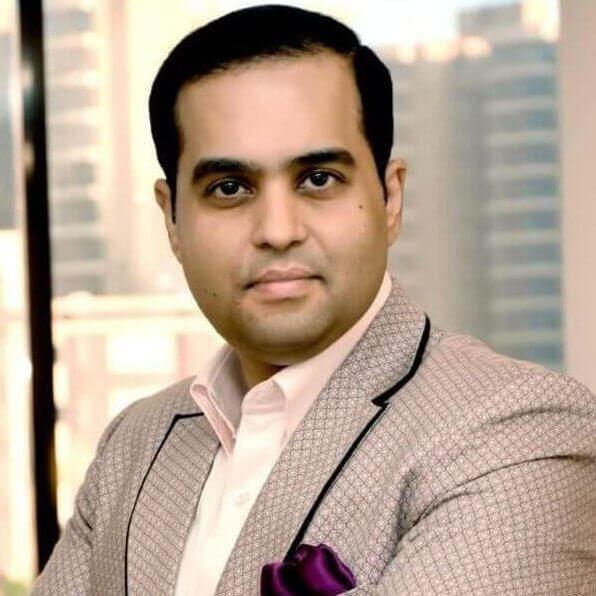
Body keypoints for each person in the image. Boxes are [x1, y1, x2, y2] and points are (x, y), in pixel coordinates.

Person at [32, 5, 596, 595]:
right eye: (230, 188)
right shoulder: (134, 444)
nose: (278, 230)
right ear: (172, 219)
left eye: (318, 179)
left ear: (391, 198)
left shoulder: (521, 431)